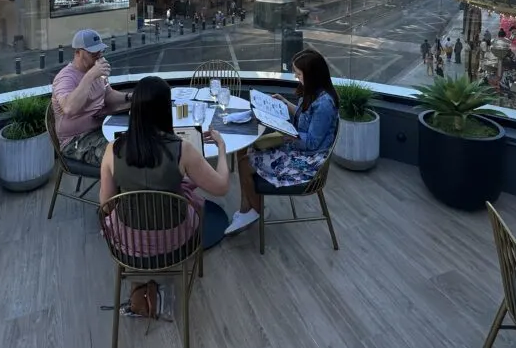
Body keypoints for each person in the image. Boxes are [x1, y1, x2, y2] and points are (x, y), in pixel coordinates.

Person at [99, 77, 229, 258]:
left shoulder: (112, 149)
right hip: (175, 240)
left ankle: (139, 280)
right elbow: (221, 187)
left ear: (134, 109)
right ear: (167, 109)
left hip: (128, 240)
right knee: (193, 200)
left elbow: (106, 205)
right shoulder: (183, 149)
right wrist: (222, 148)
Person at [226, 49, 339, 235]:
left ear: (312, 75)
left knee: (244, 164)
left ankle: (257, 212)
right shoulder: (314, 92)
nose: (296, 76)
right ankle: (247, 208)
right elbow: (305, 118)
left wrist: (287, 134)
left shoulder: (324, 104)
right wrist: (285, 103)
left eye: (299, 74)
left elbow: (312, 143)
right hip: (298, 147)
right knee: (243, 150)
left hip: (307, 160)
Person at [51, 29, 132, 166]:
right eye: (92, 52)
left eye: (100, 51)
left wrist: (130, 97)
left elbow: (108, 94)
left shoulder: (95, 71)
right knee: (121, 157)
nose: (98, 55)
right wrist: (90, 76)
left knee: (141, 140)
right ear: (77, 52)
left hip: (102, 127)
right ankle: (115, 187)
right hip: (76, 139)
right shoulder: (65, 77)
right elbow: (69, 108)